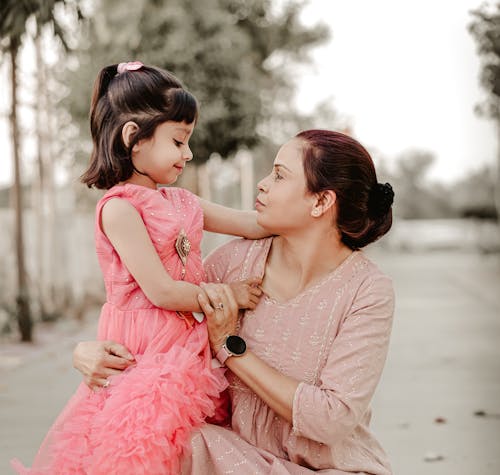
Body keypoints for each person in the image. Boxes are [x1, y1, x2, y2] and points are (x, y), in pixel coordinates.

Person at [73, 129, 396, 474]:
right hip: (232, 460)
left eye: (279, 175)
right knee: (169, 442)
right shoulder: (232, 265)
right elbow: (157, 330)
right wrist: (89, 353)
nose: (262, 184)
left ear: (320, 202)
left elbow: (331, 419)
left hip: (333, 469)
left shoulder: (367, 290)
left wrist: (230, 347)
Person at [11, 61, 266, 475]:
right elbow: (161, 291)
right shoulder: (120, 209)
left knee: (186, 449)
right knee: (140, 451)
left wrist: (302, 211)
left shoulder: (184, 203)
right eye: (179, 141)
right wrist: (229, 294)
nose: (188, 153)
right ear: (134, 138)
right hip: (142, 354)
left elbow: (250, 223)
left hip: (185, 347)